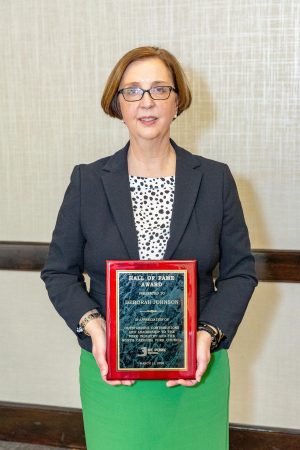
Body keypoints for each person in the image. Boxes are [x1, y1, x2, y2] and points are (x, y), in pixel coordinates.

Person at [41, 46, 258, 450]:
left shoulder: (215, 179)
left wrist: (207, 336)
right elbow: (59, 272)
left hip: (197, 368)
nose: (147, 102)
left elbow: (240, 272)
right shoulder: (88, 181)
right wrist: (94, 326)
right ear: (117, 104)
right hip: (112, 370)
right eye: (133, 91)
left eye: (160, 89)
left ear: (177, 102)